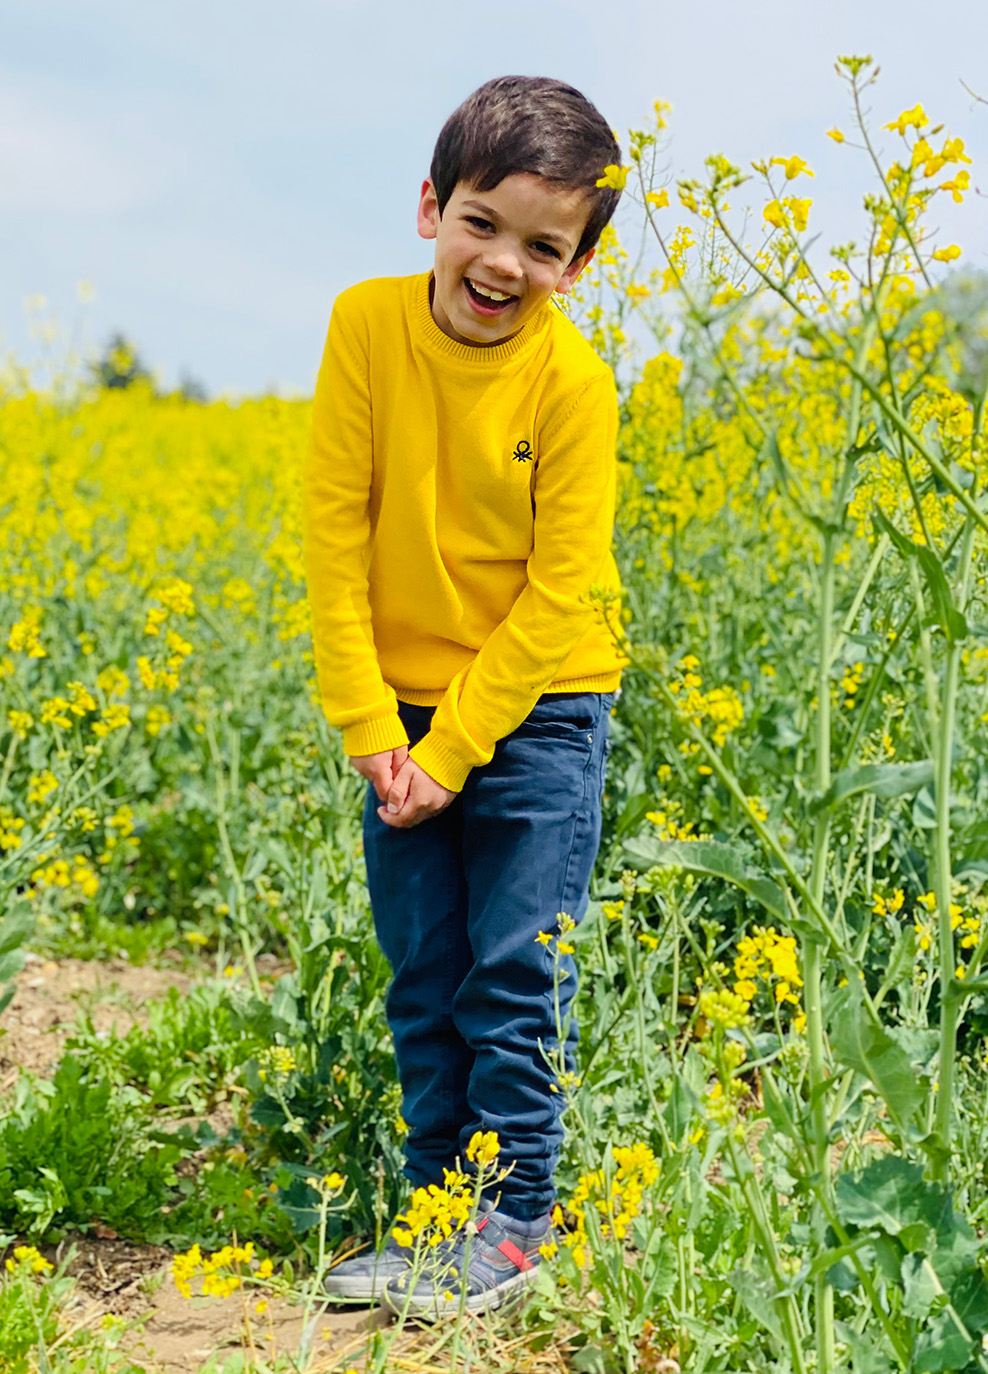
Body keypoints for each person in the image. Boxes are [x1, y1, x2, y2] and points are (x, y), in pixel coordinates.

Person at [302, 74, 625, 1317]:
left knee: (511, 966)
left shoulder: (572, 385)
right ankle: (436, 1211)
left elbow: (558, 594)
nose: (503, 263)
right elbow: (335, 536)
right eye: (482, 224)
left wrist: (456, 746)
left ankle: (518, 1221)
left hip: (541, 705)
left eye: (544, 247)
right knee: (423, 966)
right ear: (431, 206)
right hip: (402, 715)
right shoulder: (365, 327)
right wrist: (375, 730)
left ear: (577, 266)